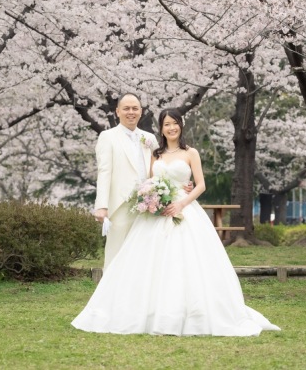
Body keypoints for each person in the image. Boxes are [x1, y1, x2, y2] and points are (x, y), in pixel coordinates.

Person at [73, 108, 280, 336]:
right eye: (167, 124)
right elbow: (150, 181)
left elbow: (201, 185)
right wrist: (152, 198)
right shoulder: (156, 153)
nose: (171, 128)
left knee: (186, 260)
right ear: (161, 129)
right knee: (148, 262)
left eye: (175, 123)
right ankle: (147, 311)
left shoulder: (191, 152)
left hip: (184, 209)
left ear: (181, 126)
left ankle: (191, 312)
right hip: (157, 213)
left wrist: (182, 203)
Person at [94, 93, 157, 270]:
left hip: (148, 205)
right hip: (120, 204)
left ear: (141, 111)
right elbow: (104, 172)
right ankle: (110, 288)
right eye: (126, 108)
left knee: (144, 255)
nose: (131, 112)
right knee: (116, 255)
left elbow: (159, 167)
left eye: (135, 108)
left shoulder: (150, 138)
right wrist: (101, 205)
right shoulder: (107, 136)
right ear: (117, 111)